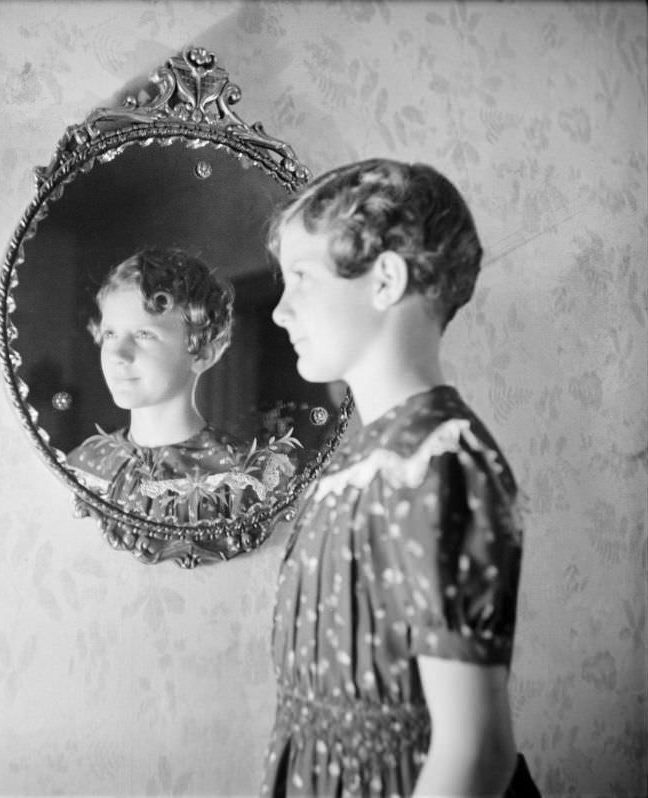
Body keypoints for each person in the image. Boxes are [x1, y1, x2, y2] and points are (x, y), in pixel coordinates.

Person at [260, 159, 540, 796]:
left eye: (301, 278)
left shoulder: (437, 466)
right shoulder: (354, 463)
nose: (280, 311)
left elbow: (477, 752)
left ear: (385, 278)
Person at [67, 248, 297, 525]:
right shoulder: (83, 464)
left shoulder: (243, 477)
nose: (118, 355)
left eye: (144, 334)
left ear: (202, 354)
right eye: (110, 334)